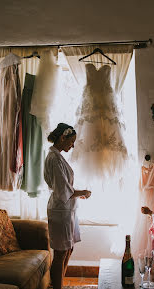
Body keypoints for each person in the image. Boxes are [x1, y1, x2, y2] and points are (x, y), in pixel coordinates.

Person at [44, 123, 92, 289]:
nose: (72, 145)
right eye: (71, 142)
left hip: (68, 209)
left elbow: (65, 188)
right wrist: (83, 192)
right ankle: (56, 286)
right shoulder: (54, 158)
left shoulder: (57, 155)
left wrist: (78, 194)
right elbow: (62, 189)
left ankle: (59, 283)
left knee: (69, 249)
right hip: (60, 210)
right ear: (62, 138)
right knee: (60, 252)